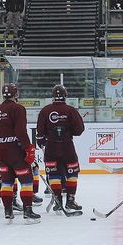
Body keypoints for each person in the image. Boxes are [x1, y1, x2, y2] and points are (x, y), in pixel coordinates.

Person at [0, 83, 39, 222]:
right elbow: (20, 131)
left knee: (7, 182)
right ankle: (27, 211)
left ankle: (8, 210)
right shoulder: (18, 108)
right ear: (16, 94)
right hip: (16, 151)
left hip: (2, 151)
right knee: (26, 181)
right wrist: (28, 148)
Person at [36, 84, 85, 214]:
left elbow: (39, 133)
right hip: (67, 146)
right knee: (72, 172)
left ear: (53, 96)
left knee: (53, 174)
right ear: (65, 96)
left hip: (51, 146)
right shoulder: (71, 110)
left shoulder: (45, 110)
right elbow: (80, 129)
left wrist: (43, 140)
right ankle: (70, 200)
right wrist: (69, 132)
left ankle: (57, 200)